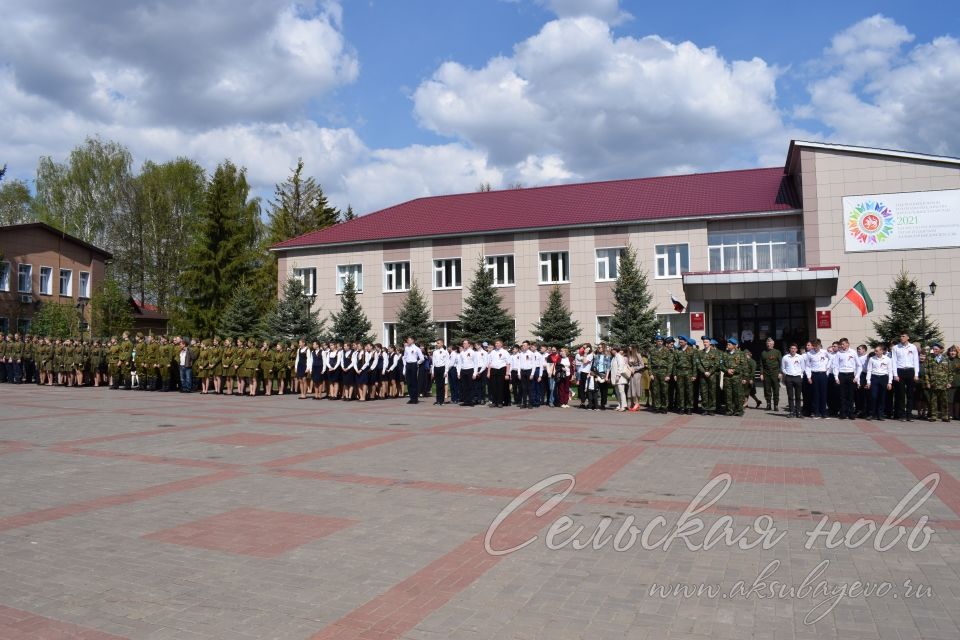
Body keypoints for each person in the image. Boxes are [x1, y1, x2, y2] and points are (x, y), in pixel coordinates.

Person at [832, 338, 862, 420]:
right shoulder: (839, 353)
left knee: (851, 395)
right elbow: (835, 366)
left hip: (851, 375)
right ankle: (843, 413)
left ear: (848, 344)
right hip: (842, 375)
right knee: (842, 395)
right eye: (841, 344)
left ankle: (851, 413)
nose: (842, 346)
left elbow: (859, 366)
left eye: (843, 344)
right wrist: (836, 377)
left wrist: (856, 377)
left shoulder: (853, 353)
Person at [892, 332, 919, 421]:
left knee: (910, 394)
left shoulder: (913, 347)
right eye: (900, 336)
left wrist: (916, 374)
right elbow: (894, 362)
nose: (901, 337)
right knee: (901, 394)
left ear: (908, 337)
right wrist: (895, 374)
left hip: (910, 371)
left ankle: (909, 414)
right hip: (900, 371)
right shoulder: (896, 348)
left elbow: (916, 361)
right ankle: (902, 414)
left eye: (903, 336)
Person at [925, 343, 952, 422]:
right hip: (934, 383)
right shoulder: (930, 358)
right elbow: (927, 372)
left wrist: (949, 382)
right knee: (933, 400)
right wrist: (928, 382)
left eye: (936, 349)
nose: (935, 351)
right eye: (934, 349)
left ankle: (945, 416)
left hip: (944, 383)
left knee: (944, 400)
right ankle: (933, 416)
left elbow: (950, 372)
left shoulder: (946, 359)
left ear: (940, 350)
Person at [865, 344, 892, 421]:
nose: (875, 352)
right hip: (874, 378)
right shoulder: (872, 359)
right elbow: (869, 370)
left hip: (884, 378)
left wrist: (889, 382)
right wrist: (868, 381)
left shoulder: (887, 359)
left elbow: (890, 371)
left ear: (882, 351)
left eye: (877, 350)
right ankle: (871, 414)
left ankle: (880, 414)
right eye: (875, 350)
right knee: (873, 396)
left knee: (882, 397)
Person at [805, 339, 831, 419]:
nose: (816, 348)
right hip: (814, 375)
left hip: (823, 374)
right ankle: (816, 413)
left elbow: (831, 359)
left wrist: (827, 368)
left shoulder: (824, 352)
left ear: (820, 345)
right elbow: (807, 366)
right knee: (815, 394)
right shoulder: (809, 354)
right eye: (814, 346)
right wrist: (809, 377)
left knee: (823, 394)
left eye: (817, 346)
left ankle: (824, 413)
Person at [696, 338, 721, 416]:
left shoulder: (715, 352)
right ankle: (705, 409)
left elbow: (717, 363)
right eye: (704, 342)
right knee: (703, 392)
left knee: (712, 392)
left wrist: (710, 372)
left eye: (706, 342)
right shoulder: (700, 353)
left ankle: (711, 409)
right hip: (703, 375)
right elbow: (698, 363)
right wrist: (704, 371)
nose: (705, 343)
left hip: (712, 375)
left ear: (710, 343)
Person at [780, 343, 806, 418]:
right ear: (789, 349)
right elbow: (783, 368)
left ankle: (798, 412)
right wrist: (787, 374)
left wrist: (800, 375)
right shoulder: (785, 357)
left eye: (794, 348)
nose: (793, 350)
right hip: (789, 378)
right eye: (792, 348)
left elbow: (803, 367)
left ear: (797, 350)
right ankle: (791, 412)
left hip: (797, 377)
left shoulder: (800, 357)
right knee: (790, 396)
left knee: (798, 396)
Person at [648, 337, 673, 414]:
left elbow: (670, 363)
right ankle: (657, 407)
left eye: (661, 341)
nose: (659, 342)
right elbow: (649, 362)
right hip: (655, 371)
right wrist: (650, 373)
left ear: (663, 342)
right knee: (656, 391)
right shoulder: (652, 350)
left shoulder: (667, 350)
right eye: (658, 341)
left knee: (664, 390)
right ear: (656, 342)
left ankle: (664, 407)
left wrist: (668, 375)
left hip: (664, 371)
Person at [673, 336, 696, 415]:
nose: (680, 342)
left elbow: (694, 364)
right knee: (680, 391)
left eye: (682, 341)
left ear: (686, 342)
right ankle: (681, 407)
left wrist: (694, 375)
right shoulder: (677, 351)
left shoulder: (691, 350)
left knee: (689, 391)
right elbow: (675, 363)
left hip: (689, 372)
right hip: (679, 372)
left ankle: (689, 407)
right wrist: (675, 374)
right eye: (680, 341)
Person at [759, 337, 782, 411]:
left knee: (776, 390)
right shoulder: (763, 353)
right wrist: (761, 374)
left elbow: (781, 363)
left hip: (775, 373)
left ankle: (776, 405)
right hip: (766, 373)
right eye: (767, 344)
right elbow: (761, 364)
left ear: (773, 344)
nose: (769, 345)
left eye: (770, 343)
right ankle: (768, 404)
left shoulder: (777, 352)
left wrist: (780, 372)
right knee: (767, 390)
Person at [486, 339, 510, 408]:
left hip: (501, 370)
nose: (497, 345)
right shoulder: (493, 352)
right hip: (493, 370)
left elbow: (508, 363)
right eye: (496, 343)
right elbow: (489, 363)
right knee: (493, 386)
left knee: (500, 386)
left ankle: (500, 402)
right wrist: (488, 372)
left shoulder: (505, 352)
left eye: (498, 343)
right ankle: (494, 402)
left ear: (501, 344)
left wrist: (507, 374)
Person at [402, 337, 424, 404]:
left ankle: (415, 398)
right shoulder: (406, 348)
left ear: (413, 340)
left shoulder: (417, 348)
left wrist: (416, 363)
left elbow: (422, 358)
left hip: (414, 364)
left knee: (414, 381)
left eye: (409, 340)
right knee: (409, 382)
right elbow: (404, 357)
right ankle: (411, 398)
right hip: (408, 365)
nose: (408, 341)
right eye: (407, 340)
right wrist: (405, 364)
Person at [625, 345, 645, 412]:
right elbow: (627, 364)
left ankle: (637, 403)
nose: (629, 348)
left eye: (631, 347)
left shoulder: (637, 354)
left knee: (636, 388)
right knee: (632, 388)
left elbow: (642, 365)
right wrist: (630, 368)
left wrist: (635, 369)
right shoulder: (629, 355)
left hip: (637, 373)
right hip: (631, 373)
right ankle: (634, 403)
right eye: (629, 347)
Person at [610, 345, 629, 411]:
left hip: (620, 377)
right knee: (617, 392)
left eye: (612, 349)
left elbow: (620, 366)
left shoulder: (619, 357)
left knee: (621, 391)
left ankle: (624, 406)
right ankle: (619, 405)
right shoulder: (614, 357)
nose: (611, 350)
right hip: (615, 378)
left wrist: (618, 375)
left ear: (616, 350)